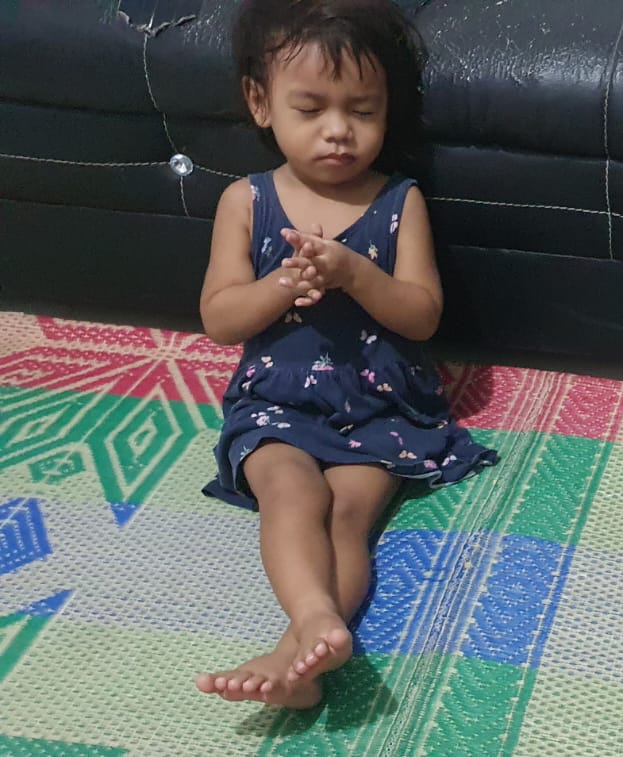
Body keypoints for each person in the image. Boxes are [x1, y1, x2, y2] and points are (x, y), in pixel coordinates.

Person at [193, 0, 496, 708]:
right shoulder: (246, 201)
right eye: (311, 109)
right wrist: (279, 285)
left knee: (347, 517)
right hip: (277, 403)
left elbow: (421, 315)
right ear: (260, 103)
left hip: (379, 403)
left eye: (363, 110)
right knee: (291, 493)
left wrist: (357, 274)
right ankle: (313, 623)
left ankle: (296, 656)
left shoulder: (398, 200)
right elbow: (219, 318)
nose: (339, 130)